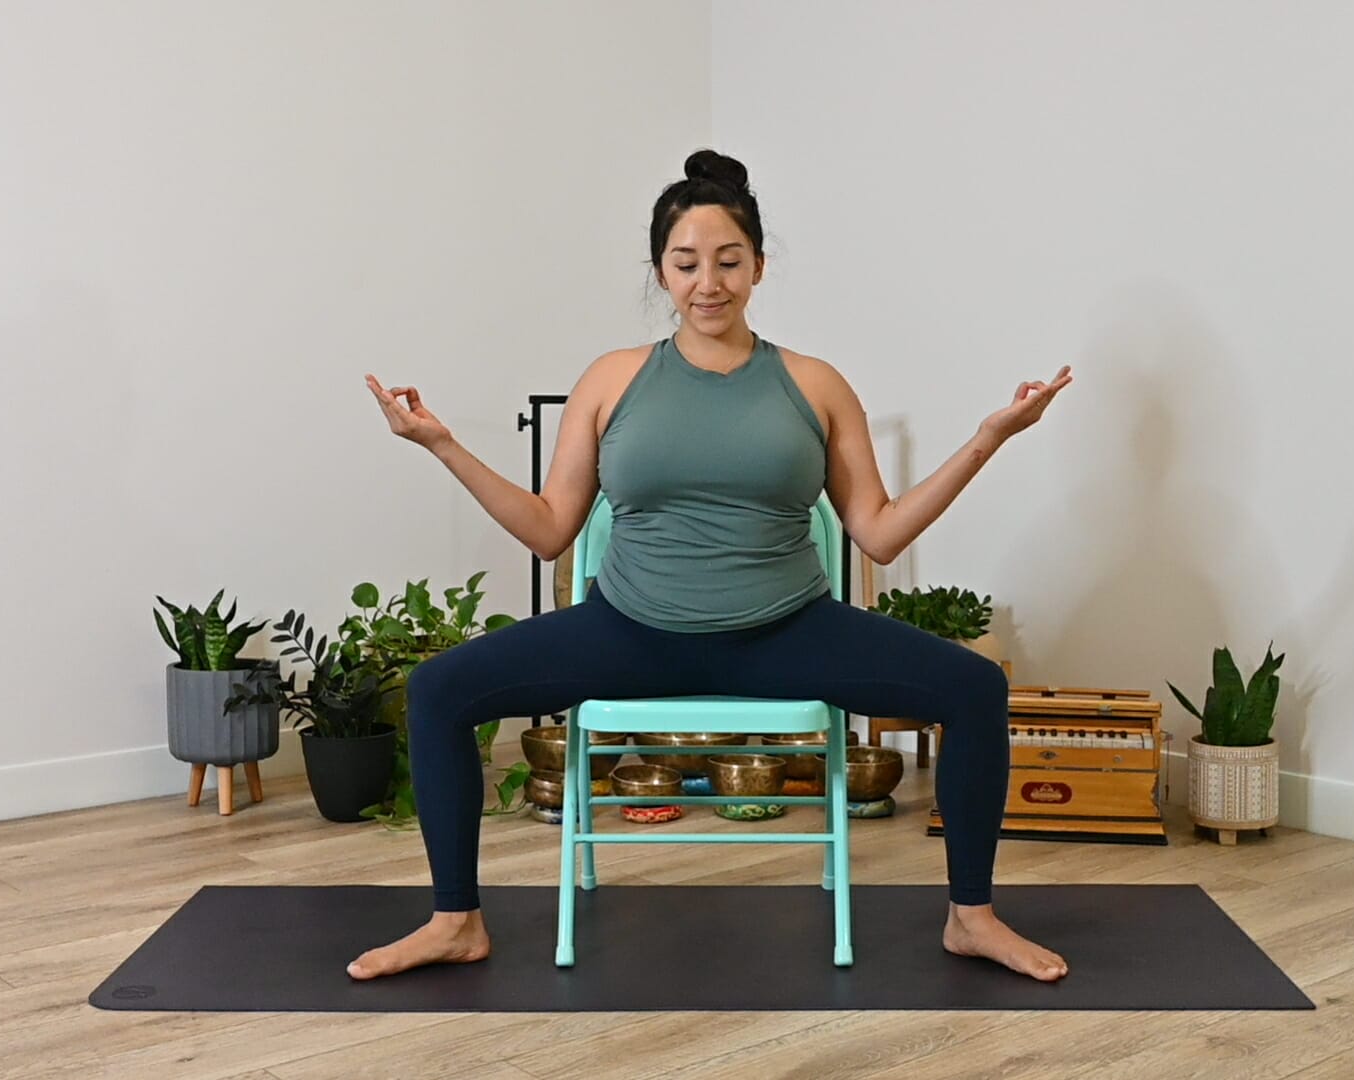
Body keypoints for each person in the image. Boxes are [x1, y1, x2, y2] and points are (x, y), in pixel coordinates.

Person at [356, 149, 1074, 982]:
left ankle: (972, 918)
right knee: (440, 689)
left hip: (790, 630)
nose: (709, 282)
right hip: (629, 630)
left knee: (975, 688)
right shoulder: (612, 380)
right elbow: (550, 528)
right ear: (661, 271)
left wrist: (986, 440)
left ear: (759, 266)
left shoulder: (814, 383)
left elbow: (876, 533)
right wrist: (443, 445)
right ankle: (455, 923)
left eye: (729, 261)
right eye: (686, 262)